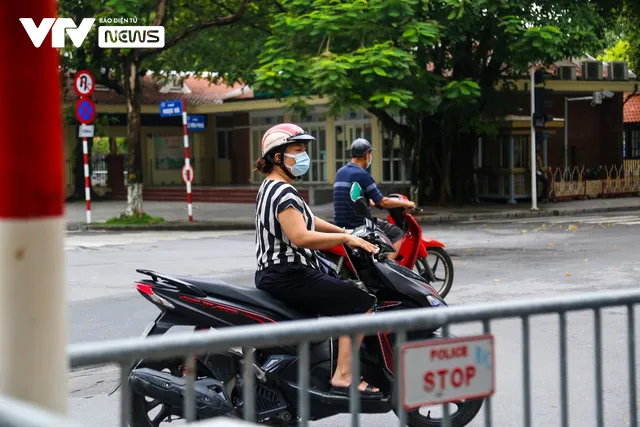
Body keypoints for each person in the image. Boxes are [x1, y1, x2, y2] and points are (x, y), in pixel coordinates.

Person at [253, 123, 382, 397]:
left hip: (279, 273)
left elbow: (310, 220)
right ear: (278, 157)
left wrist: (345, 231)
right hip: (289, 273)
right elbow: (300, 236)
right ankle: (344, 376)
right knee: (360, 303)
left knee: (339, 291)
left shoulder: (272, 186)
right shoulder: (283, 191)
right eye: (297, 150)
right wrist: (345, 240)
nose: (303, 156)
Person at [333, 138, 416, 259]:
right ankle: (388, 272)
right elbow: (382, 201)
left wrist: (370, 202)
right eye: (370, 154)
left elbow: (354, 197)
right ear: (367, 154)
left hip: (340, 224)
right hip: (360, 224)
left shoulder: (341, 172)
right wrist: (406, 203)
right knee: (397, 234)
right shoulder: (362, 174)